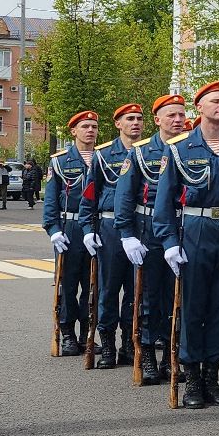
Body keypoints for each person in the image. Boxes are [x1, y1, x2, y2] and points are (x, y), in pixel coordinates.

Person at [153, 82, 219, 410]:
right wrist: (168, 241)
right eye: (215, 101)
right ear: (201, 108)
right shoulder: (180, 148)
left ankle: (212, 377)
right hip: (195, 230)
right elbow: (163, 201)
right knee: (193, 308)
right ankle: (192, 378)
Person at [115, 95, 189, 386]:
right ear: (157, 120)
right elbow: (125, 196)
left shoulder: (191, 147)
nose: (178, 120)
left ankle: (173, 358)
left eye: (181, 114)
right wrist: (127, 234)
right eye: (171, 115)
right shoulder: (141, 152)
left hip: (184, 229)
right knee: (148, 298)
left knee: (178, 299)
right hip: (148, 231)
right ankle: (146, 356)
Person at [81, 104, 144, 370]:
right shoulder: (104, 155)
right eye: (129, 119)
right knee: (108, 288)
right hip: (110, 229)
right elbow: (89, 196)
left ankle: (129, 343)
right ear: (118, 123)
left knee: (136, 290)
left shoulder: (150, 151)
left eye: (140, 119)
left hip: (141, 226)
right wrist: (87, 230)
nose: (136, 123)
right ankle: (107, 343)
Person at [41, 111, 99, 357]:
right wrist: (53, 230)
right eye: (85, 126)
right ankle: (67, 333)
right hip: (69, 230)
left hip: (96, 230)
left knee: (92, 284)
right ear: (73, 131)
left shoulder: (103, 158)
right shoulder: (60, 161)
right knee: (68, 285)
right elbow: (51, 201)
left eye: (94, 127)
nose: (90, 131)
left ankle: (87, 332)